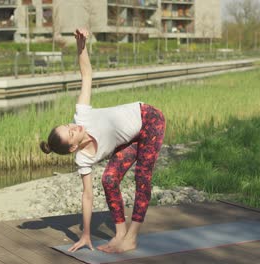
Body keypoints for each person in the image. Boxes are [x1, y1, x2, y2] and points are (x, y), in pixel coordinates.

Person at [40, 28, 166, 253]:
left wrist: (81, 46)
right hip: (132, 139)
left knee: (142, 176)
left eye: (68, 125)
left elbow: (86, 74)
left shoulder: (82, 115)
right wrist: (86, 234)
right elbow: (87, 196)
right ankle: (120, 235)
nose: (74, 126)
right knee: (109, 179)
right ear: (72, 148)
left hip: (149, 119)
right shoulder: (83, 159)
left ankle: (131, 237)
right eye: (71, 132)